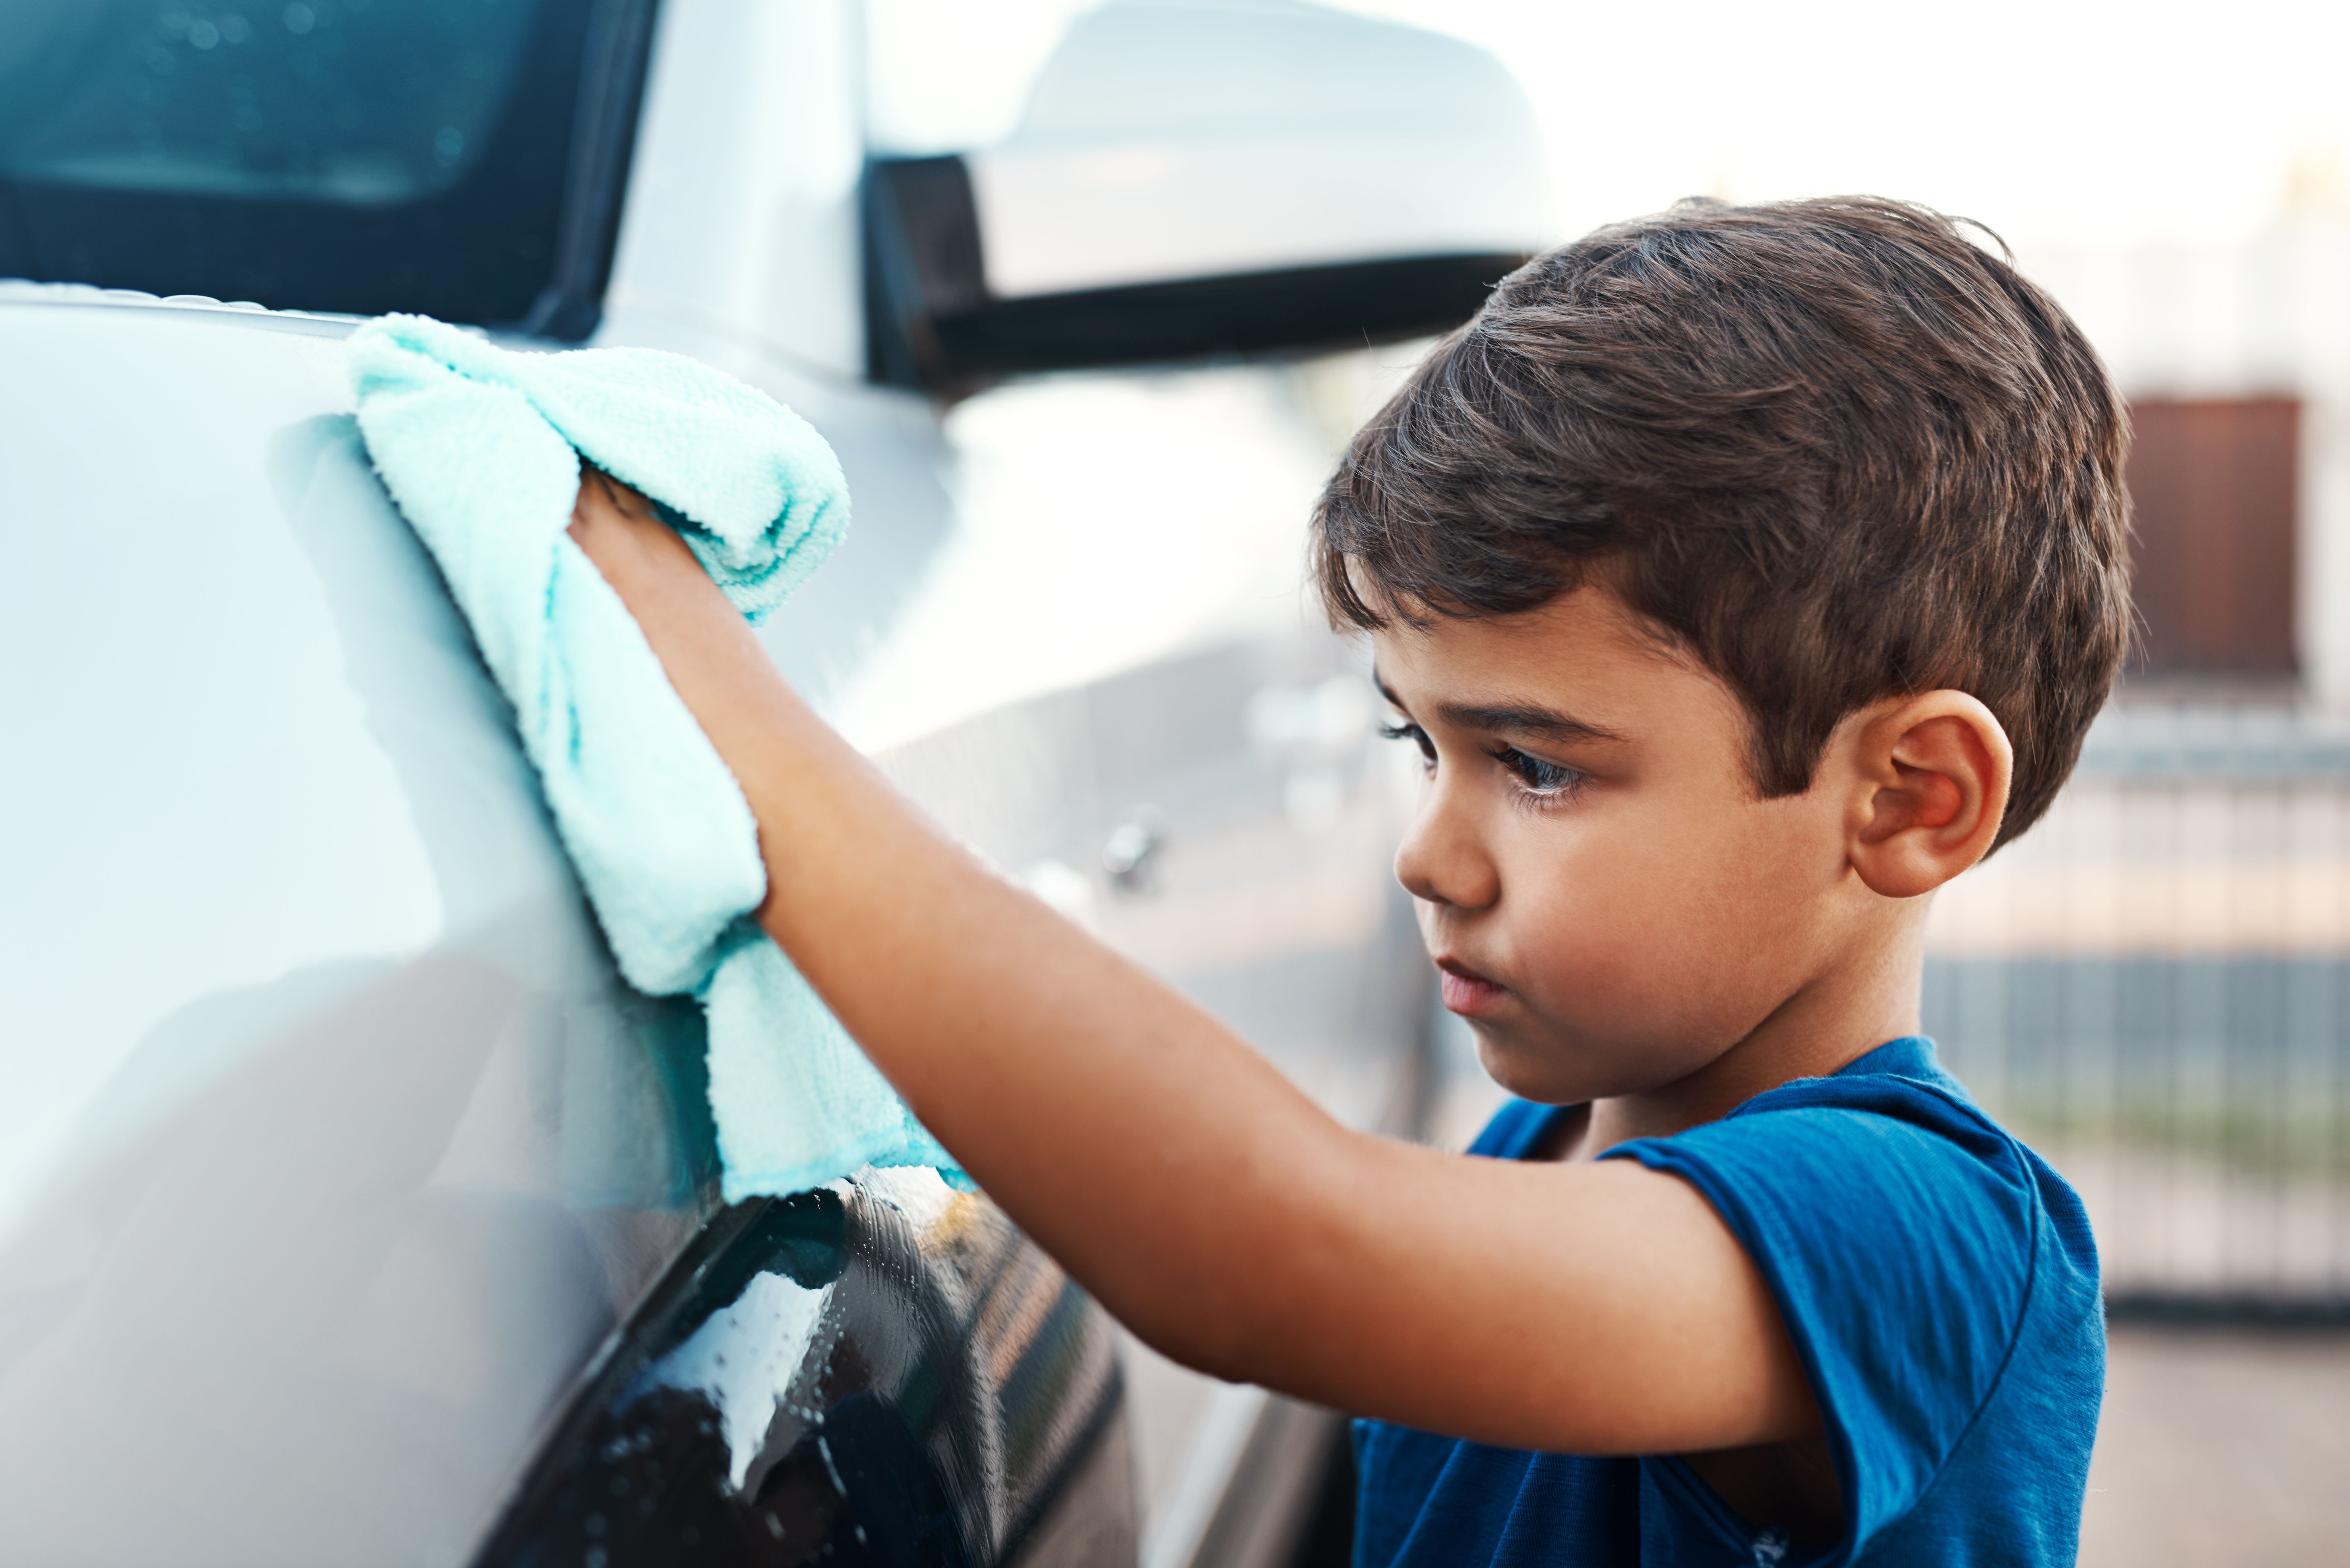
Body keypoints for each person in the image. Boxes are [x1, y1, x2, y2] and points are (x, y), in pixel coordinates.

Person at [565, 196, 2124, 1565]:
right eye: (1417, 742)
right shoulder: (1539, 1149)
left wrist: (711, 693)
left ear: (1907, 801)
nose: (1425, 855)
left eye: (1534, 765)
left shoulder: (1921, 1236)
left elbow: (1262, 1255)